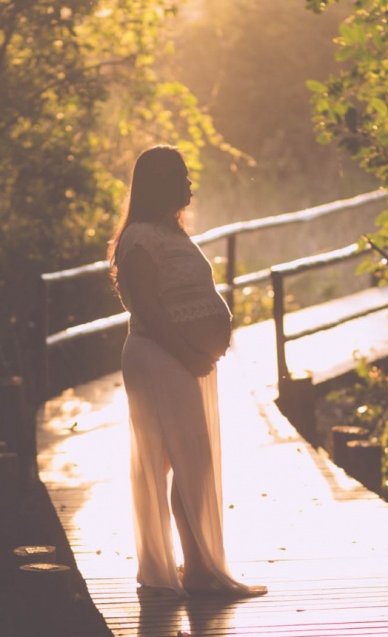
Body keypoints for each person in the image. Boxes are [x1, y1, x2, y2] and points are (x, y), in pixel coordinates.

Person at [109, 145, 266, 598]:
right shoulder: (139, 238)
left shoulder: (170, 232)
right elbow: (148, 308)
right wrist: (187, 353)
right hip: (159, 356)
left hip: (179, 357)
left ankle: (196, 566)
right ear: (163, 183)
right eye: (183, 176)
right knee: (181, 458)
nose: (191, 184)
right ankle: (194, 569)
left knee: (189, 458)